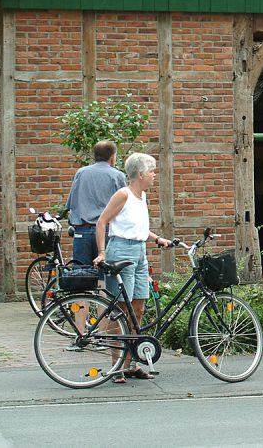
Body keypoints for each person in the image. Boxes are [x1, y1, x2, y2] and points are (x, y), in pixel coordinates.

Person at [92, 152, 172, 383]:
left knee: (138, 309)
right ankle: (116, 365)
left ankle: (131, 364)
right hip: (121, 251)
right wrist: (101, 252)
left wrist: (157, 238)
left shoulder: (142, 196)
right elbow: (102, 221)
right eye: (152, 171)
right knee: (120, 311)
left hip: (139, 252)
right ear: (140, 174)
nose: (154, 175)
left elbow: (136, 228)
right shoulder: (123, 195)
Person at [65, 140, 127, 271]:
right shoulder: (118, 176)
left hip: (82, 231)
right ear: (112, 156)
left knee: (82, 275)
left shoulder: (81, 173)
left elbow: (71, 203)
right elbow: (125, 207)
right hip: (106, 231)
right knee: (105, 276)